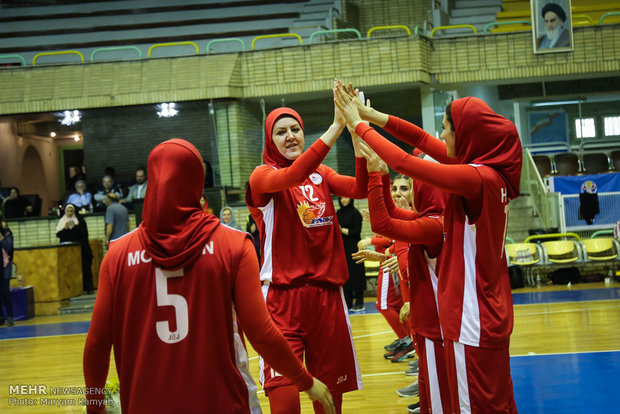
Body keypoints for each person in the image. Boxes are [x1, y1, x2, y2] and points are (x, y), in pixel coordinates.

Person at [83, 139, 335, 414]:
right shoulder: (234, 244)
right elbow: (261, 333)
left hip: (145, 403)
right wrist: (305, 380)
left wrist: (95, 406)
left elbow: (96, 344)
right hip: (221, 401)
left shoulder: (117, 255)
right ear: (198, 184)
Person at [335, 85, 521, 413]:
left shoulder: (476, 178)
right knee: (498, 404)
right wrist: (373, 117)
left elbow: (406, 161)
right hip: (488, 311)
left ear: (468, 135)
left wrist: (359, 126)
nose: (443, 135)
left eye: (448, 128)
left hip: (471, 318)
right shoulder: (493, 175)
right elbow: (421, 141)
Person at [245, 100, 368, 414]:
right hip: (282, 301)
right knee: (284, 400)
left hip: (327, 298)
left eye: (295, 129)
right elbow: (294, 174)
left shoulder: (322, 174)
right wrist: (336, 125)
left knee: (329, 403)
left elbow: (361, 188)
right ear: (268, 140)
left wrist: (356, 137)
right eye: (281, 132)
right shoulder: (262, 177)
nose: (290, 137)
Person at [356, 148, 451, 413]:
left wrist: (377, 175)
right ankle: (426, 395)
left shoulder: (432, 223)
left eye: (411, 186)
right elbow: (390, 219)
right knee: (429, 371)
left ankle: (431, 397)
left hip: (433, 312)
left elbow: (384, 223)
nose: (405, 193)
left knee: (439, 376)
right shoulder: (428, 219)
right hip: (425, 307)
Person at [56, 203, 94, 294]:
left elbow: (83, 233)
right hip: (67, 251)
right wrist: (65, 228)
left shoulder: (80, 220)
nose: (69, 213)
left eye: (71, 211)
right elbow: (59, 234)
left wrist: (75, 227)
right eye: (68, 211)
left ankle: (88, 288)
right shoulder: (62, 221)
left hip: (81, 250)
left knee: (84, 268)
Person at [337, 196, 365, 311]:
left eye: (346, 198)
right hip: (342, 249)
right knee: (345, 274)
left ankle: (359, 302)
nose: (344, 200)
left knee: (357, 275)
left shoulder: (355, 213)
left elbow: (356, 232)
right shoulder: (338, 213)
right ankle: (347, 302)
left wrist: (341, 229)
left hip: (354, 247)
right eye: (341, 198)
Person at [0, 218, 15, 327]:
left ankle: (10, 317)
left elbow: (9, 247)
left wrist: (1, 239)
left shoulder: (8, 234)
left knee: (5, 291)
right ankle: (1, 317)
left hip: (5, 266)